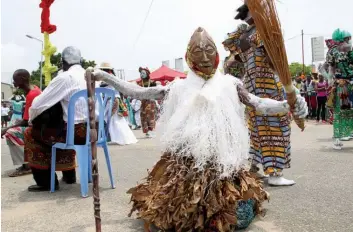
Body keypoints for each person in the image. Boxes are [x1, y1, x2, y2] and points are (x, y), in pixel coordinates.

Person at [87, 27, 307, 231]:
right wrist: (105, 77)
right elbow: (138, 92)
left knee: (234, 215)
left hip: (223, 164)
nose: (204, 57)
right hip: (186, 166)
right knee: (177, 215)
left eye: (208, 50)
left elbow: (258, 103)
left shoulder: (230, 84)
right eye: (197, 51)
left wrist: (287, 105)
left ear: (216, 54)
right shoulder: (179, 87)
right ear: (188, 56)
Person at [224, 3, 300, 186]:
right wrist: (287, 85)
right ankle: (274, 173)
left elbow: (235, 61)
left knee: (255, 128)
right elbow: (274, 60)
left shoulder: (242, 36)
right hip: (267, 85)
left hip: (251, 86)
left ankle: (253, 167)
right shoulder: (261, 33)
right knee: (275, 126)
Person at [25, 46, 87, 192]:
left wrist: (31, 120)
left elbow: (37, 104)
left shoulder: (65, 77)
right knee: (60, 129)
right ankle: (69, 174)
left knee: (32, 133)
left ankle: (45, 182)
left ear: (63, 62)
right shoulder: (89, 75)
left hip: (77, 134)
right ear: (81, 61)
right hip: (96, 131)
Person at [1, 69, 41, 177]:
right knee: (13, 127)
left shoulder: (31, 94)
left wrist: (5, 129)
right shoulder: (34, 89)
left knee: (10, 132)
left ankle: (27, 165)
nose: (13, 82)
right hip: (38, 125)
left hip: (37, 129)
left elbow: (26, 122)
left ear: (22, 79)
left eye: (15, 80)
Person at [320, 30, 353, 149]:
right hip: (341, 86)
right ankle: (337, 138)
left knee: (350, 111)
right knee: (340, 111)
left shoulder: (351, 51)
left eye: (349, 39)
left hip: (351, 85)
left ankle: (348, 133)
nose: (348, 42)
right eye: (346, 39)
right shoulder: (333, 52)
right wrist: (330, 80)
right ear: (340, 41)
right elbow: (330, 69)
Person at [98, 62, 137, 145]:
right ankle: (117, 138)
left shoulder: (108, 77)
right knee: (115, 120)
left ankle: (118, 138)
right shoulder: (110, 77)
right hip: (112, 100)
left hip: (112, 100)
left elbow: (103, 86)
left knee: (113, 120)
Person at [138, 67, 156, 138]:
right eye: (141, 73)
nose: (141, 75)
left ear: (147, 74)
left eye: (143, 73)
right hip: (142, 102)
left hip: (150, 102)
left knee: (150, 116)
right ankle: (146, 132)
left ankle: (151, 130)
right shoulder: (139, 84)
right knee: (143, 116)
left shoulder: (152, 82)